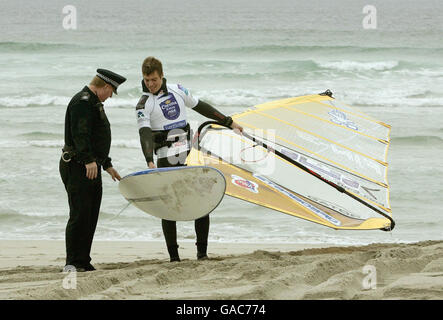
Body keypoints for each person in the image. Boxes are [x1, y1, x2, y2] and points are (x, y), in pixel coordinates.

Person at [136, 56, 243, 262]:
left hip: (188, 153)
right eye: (147, 80)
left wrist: (228, 122)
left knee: (201, 201)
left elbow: (201, 106)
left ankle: (202, 253)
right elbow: (145, 133)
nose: (150, 84)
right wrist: (148, 159)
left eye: (154, 80)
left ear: (162, 76)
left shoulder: (178, 90)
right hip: (166, 158)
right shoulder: (144, 104)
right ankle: (174, 257)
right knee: (169, 207)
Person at [60, 69, 126, 272]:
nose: (110, 96)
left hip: (91, 165)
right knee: (79, 214)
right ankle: (72, 262)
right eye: (111, 92)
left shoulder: (93, 102)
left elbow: (96, 137)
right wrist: (88, 160)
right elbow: (80, 133)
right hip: (78, 165)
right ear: (105, 86)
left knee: (90, 214)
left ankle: (83, 260)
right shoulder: (83, 101)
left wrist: (107, 164)